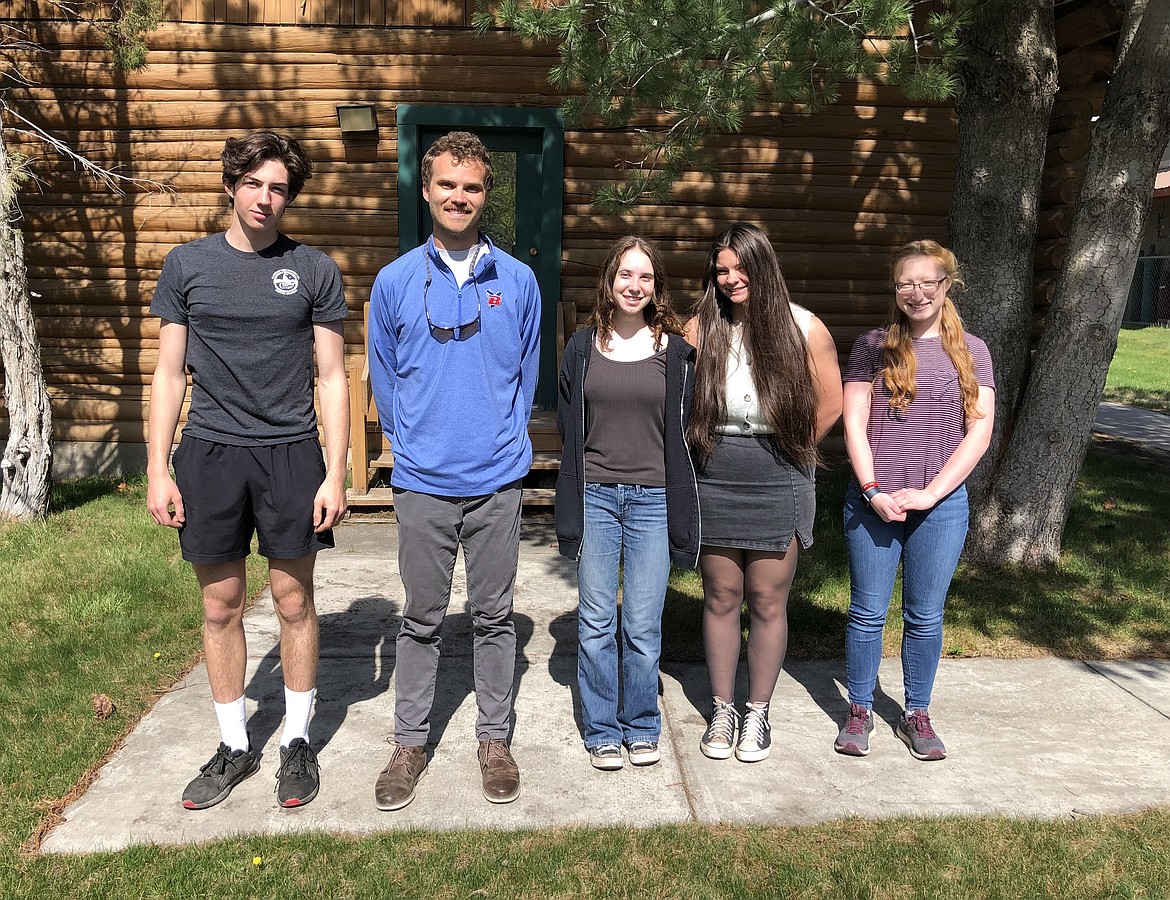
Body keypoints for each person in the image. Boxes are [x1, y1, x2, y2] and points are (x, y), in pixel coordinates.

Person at [146, 131, 349, 810]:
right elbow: (169, 374)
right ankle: (234, 744)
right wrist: (157, 467)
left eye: (280, 188)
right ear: (232, 183)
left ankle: (296, 741)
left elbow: (332, 377)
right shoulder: (187, 266)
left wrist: (336, 472)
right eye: (256, 183)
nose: (267, 198)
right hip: (210, 453)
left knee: (294, 601)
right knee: (220, 604)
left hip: (291, 452)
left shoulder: (315, 269)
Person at [367, 131, 541, 810]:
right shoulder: (396, 280)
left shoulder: (518, 281)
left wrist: (505, 436)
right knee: (421, 617)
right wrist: (408, 443)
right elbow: (383, 371)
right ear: (428, 189)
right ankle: (410, 742)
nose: (459, 196)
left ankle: (494, 739)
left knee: (494, 616)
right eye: (447, 184)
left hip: (496, 479)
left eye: (471, 186)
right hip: (423, 482)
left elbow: (526, 374)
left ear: (486, 194)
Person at [684, 223, 842, 763]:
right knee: (722, 596)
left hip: (780, 467)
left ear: (763, 265)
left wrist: (794, 447)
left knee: (768, 599)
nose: (730, 279)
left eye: (739, 267)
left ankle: (758, 712)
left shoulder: (805, 327)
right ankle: (723, 710)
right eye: (721, 270)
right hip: (716, 470)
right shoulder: (701, 328)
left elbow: (831, 403)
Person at [834, 239, 995, 761]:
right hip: (873, 503)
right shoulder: (871, 346)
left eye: (929, 282)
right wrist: (872, 490)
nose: (917, 292)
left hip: (941, 507)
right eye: (906, 282)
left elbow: (979, 431)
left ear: (947, 286)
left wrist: (930, 492)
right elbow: (853, 423)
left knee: (925, 616)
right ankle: (859, 710)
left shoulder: (973, 351)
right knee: (867, 612)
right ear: (895, 288)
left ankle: (917, 713)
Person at [555, 236, 699, 771]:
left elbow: (688, 429)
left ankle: (640, 723)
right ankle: (601, 728)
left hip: (653, 501)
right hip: (596, 495)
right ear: (608, 281)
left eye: (645, 277)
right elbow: (572, 422)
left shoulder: (678, 353)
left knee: (641, 621)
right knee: (595, 619)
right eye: (624, 275)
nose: (634, 286)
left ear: (656, 286)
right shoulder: (582, 346)